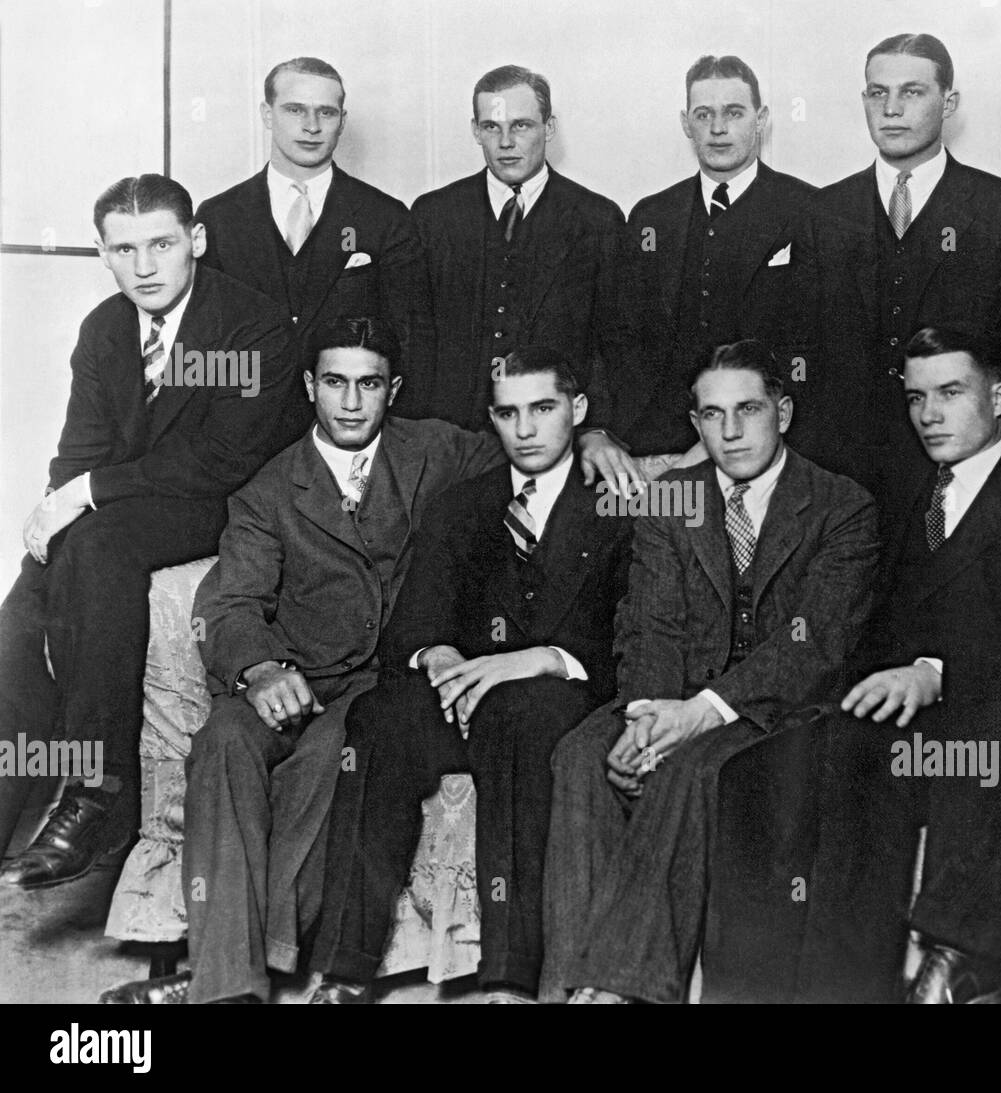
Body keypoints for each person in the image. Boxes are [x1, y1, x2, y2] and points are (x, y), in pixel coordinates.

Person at [96, 317, 505, 1004]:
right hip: (292, 670)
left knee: (329, 756)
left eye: (368, 384)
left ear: (393, 389)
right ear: (312, 386)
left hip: (381, 682)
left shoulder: (437, 448)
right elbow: (228, 605)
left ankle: (227, 972)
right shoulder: (268, 489)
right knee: (221, 741)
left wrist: (596, 446)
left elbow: (522, 453)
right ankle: (233, 989)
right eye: (336, 383)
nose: (351, 402)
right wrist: (260, 669)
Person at [705, 327, 1001, 1004]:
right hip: (905, 708)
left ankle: (965, 956)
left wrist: (936, 671)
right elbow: (878, 616)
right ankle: (829, 984)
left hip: (998, 706)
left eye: (951, 393)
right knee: (794, 755)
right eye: (915, 397)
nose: (929, 413)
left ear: (999, 396)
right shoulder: (908, 487)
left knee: (966, 744)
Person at [539, 339, 878, 1004]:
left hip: (782, 709)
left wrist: (697, 713)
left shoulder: (842, 505)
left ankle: (622, 987)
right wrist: (646, 715)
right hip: (678, 695)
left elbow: (814, 643)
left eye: (748, 409)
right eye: (712, 414)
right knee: (581, 754)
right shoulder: (671, 497)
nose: (731, 430)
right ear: (695, 424)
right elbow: (651, 621)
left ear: (782, 410)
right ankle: (566, 985)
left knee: (691, 766)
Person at [307, 347, 631, 1004]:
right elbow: (412, 627)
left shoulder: (617, 506)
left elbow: (634, 633)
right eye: (508, 413)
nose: (527, 429)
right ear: (492, 419)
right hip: (463, 702)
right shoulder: (462, 506)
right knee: (378, 717)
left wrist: (538, 659)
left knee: (522, 715)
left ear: (579, 410)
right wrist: (439, 656)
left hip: (561, 699)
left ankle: (508, 982)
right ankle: (343, 970)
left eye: (543, 409)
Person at [0, 175, 294, 889]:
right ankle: (11, 800)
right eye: (125, 249)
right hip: (127, 507)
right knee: (20, 614)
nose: (145, 266)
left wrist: (87, 494)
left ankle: (96, 794)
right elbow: (82, 447)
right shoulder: (106, 327)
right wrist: (54, 510)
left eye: (161, 243)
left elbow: (220, 459)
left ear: (194, 241)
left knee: (96, 545)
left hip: (222, 502)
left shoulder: (250, 324)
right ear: (102, 252)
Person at [808, 33, 1001, 506]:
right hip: (841, 472)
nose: (892, 109)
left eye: (912, 92)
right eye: (879, 93)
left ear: (948, 101)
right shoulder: (823, 212)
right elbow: (803, 349)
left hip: (963, 472)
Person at [407, 65, 632, 451]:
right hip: (449, 440)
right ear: (476, 130)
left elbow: (611, 343)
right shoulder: (432, 216)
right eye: (492, 127)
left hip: (556, 441)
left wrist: (597, 429)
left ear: (549, 128)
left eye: (522, 125)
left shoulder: (598, 219)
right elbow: (414, 337)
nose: (506, 141)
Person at [195, 57, 427, 424]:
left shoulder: (386, 217)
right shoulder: (218, 216)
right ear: (267, 115)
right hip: (240, 428)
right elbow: (202, 344)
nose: (312, 126)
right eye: (294, 110)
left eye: (326, 113)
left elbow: (408, 343)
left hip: (346, 430)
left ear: (342, 121)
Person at [615, 56, 817, 456]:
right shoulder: (651, 217)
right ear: (686, 123)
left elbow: (814, 347)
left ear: (761, 119)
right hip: (661, 438)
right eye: (703, 114)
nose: (718, 128)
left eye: (734, 113)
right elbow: (626, 340)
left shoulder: (809, 210)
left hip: (771, 438)